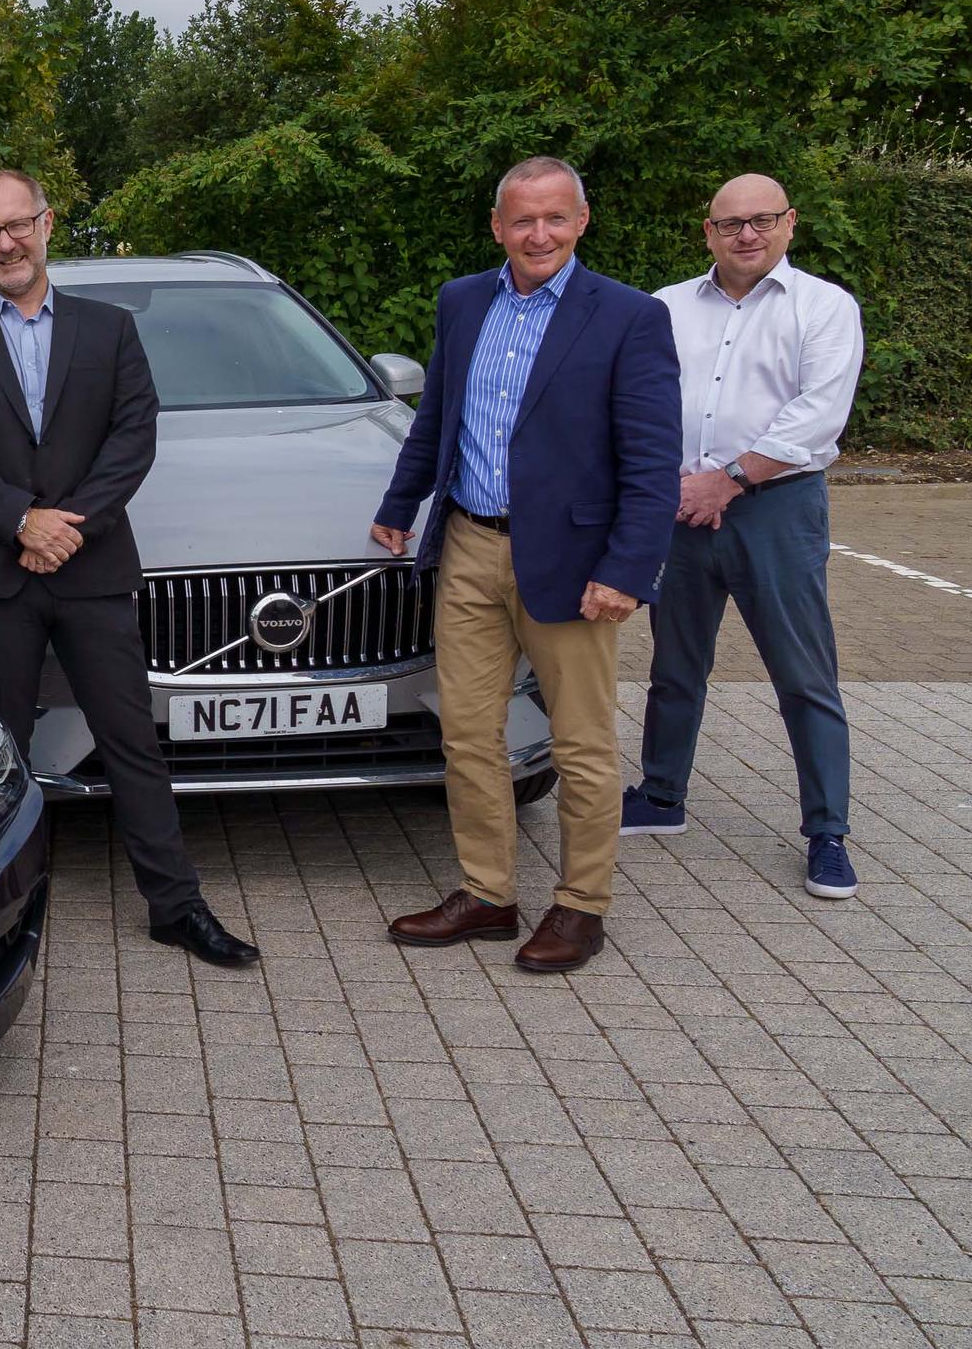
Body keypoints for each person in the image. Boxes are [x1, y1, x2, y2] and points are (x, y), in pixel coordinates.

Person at [0, 168, 259, 967]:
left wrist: (68, 527)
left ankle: (174, 906)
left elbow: (133, 435)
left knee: (130, 739)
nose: (5, 242)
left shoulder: (106, 331)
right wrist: (19, 521)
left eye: (17, 224)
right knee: (1, 753)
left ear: (46, 223)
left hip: (92, 566)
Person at [369, 157, 680, 973]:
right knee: (467, 734)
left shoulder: (627, 317)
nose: (535, 234)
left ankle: (581, 907)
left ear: (581, 220)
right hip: (467, 545)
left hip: (574, 562)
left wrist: (626, 569)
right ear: (497, 226)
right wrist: (397, 508)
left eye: (553, 218)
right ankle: (487, 894)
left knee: (578, 745)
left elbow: (650, 464)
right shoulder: (462, 300)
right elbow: (436, 415)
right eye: (520, 220)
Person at [624, 174, 865, 899]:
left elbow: (817, 414)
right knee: (674, 665)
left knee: (802, 677)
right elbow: (638, 398)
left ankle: (827, 832)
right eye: (730, 224)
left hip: (774, 510)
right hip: (679, 509)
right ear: (708, 232)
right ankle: (661, 796)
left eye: (761, 221)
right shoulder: (664, 307)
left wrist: (727, 478)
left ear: (789, 224)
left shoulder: (824, 307)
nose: (746, 235)